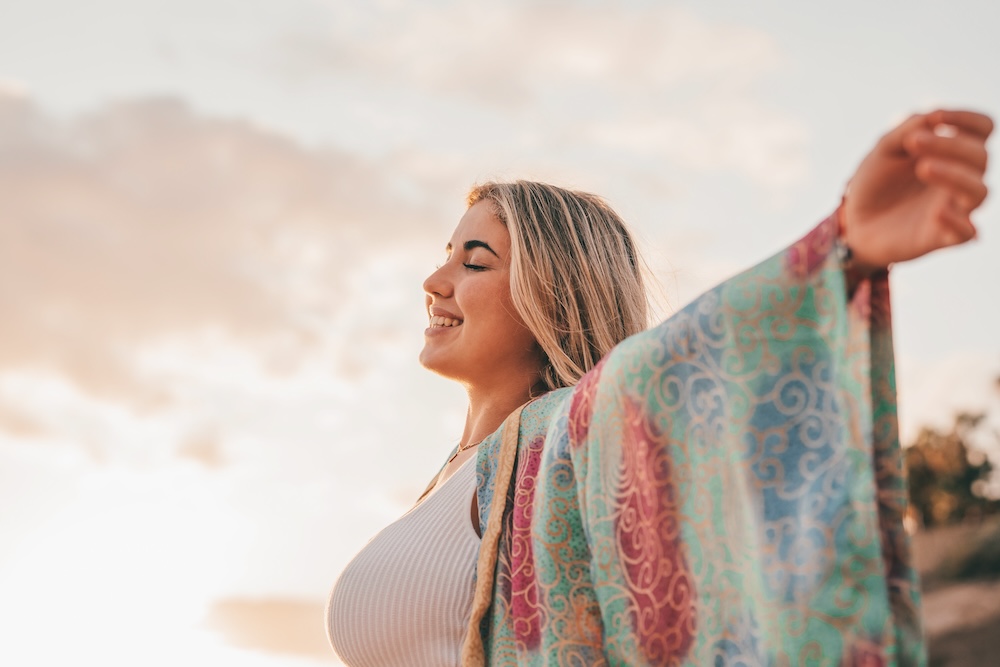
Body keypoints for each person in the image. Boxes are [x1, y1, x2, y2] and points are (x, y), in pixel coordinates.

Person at [326, 109, 992, 666]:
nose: (434, 280)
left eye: (473, 260)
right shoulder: (458, 476)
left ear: (554, 297)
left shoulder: (567, 441)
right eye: (445, 254)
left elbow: (677, 368)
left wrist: (841, 244)